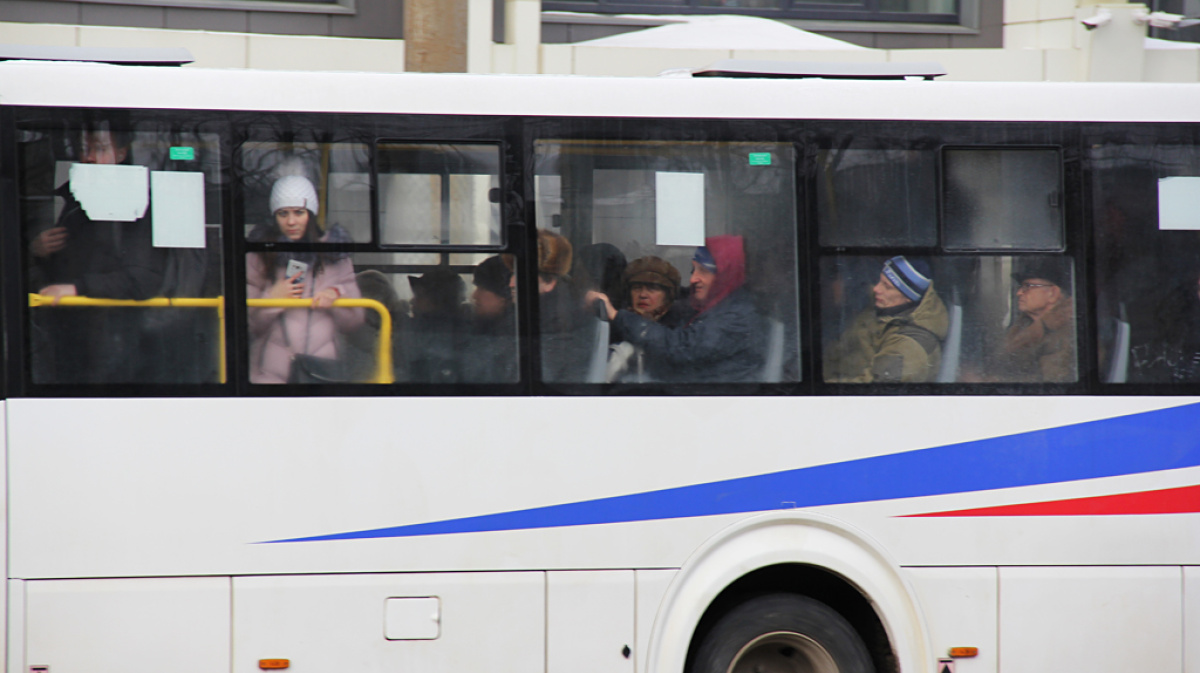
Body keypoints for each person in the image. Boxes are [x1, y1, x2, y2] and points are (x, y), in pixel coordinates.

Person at [28, 124, 167, 383]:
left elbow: (142, 278)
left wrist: (77, 288)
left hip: (116, 338)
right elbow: (65, 269)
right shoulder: (76, 203)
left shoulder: (135, 205)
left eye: (100, 149)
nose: (89, 157)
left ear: (122, 154)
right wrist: (40, 252)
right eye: (83, 149)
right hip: (70, 334)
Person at [588, 235, 765, 383]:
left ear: (726, 274)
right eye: (693, 270)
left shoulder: (735, 316)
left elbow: (681, 348)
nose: (694, 279)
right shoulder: (710, 307)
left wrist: (617, 316)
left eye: (703, 271)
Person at [246, 175, 363, 384]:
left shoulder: (334, 255)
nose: (291, 221)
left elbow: (355, 322)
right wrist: (271, 299)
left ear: (311, 214)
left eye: (299, 212)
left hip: (322, 372)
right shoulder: (259, 255)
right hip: (269, 375)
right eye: (283, 213)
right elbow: (246, 325)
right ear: (274, 216)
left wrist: (336, 299)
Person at [823, 256, 948, 383]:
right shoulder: (882, 307)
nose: (876, 289)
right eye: (880, 281)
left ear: (907, 297)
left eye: (886, 286)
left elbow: (873, 389)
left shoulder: (909, 348)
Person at [605, 256, 691, 382]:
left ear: (668, 295)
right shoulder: (613, 329)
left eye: (653, 288)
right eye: (637, 288)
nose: (643, 295)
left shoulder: (681, 332)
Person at [990, 259, 1076, 383]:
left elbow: (1054, 385)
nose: (1019, 293)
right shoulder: (1023, 325)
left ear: (1052, 293)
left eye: (1028, 287)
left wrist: (992, 381)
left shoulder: (1067, 333)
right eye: (1021, 287)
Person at [463, 255, 518, 382]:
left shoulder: (505, 342)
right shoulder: (491, 327)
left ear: (504, 296)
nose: (475, 295)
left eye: (482, 288)